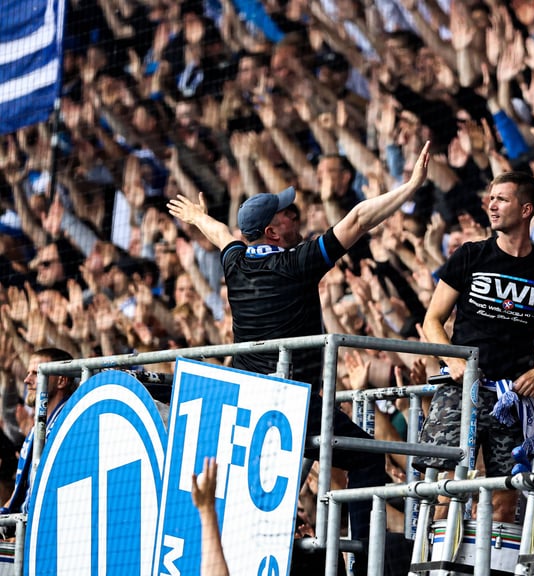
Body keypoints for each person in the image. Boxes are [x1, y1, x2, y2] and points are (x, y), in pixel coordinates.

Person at [167, 142, 431, 547]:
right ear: (273, 231)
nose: (295, 214)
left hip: (252, 405)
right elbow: (359, 218)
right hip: (292, 402)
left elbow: (220, 233)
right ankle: (362, 561)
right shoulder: (296, 264)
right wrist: (410, 187)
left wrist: (197, 216)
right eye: (286, 213)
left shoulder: (235, 262)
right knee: (365, 458)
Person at [417, 171, 534, 522]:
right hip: (462, 388)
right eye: (491, 198)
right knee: (446, 491)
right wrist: (453, 359)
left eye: (501, 199)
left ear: (526, 209)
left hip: (512, 397)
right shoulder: (470, 255)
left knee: (505, 499)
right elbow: (433, 320)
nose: (491, 205)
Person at [1, 347, 76, 514]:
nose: (27, 380)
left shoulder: (69, 424)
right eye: (29, 373)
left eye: (37, 373)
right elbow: (18, 494)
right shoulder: (38, 428)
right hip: (23, 525)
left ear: (61, 381)